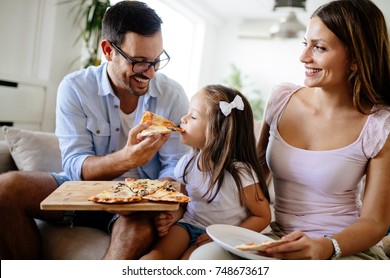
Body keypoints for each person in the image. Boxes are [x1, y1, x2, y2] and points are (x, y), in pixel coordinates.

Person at [191, 0, 390, 260]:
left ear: (355, 57)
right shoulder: (282, 98)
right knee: (205, 259)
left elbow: (375, 222)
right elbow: (254, 178)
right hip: (278, 238)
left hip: (341, 248)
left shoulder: (379, 123)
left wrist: (325, 246)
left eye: (319, 47)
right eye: (305, 44)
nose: (304, 57)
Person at [0, 0, 189, 260]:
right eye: (140, 62)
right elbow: (75, 165)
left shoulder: (172, 94)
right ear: (108, 50)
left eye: (157, 61)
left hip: (141, 199)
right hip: (85, 189)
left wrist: (155, 199)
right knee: (6, 188)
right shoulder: (76, 88)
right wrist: (127, 158)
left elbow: (176, 167)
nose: (151, 73)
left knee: (135, 230)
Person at [140, 85, 271, 260]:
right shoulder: (187, 163)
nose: (183, 119)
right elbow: (184, 203)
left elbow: (262, 216)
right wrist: (171, 218)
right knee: (153, 258)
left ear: (216, 132)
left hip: (223, 236)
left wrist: (224, 236)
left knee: (189, 260)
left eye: (193, 116)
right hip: (189, 224)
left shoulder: (240, 174)